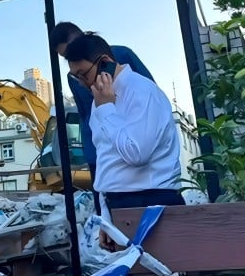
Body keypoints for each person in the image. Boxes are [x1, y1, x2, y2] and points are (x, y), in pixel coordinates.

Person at [62, 32, 184, 250]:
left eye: (83, 75)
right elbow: (105, 161)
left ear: (105, 63)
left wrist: (107, 108)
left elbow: (137, 154)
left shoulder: (142, 92)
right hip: (118, 205)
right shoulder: (99, 99)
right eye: (75, 77)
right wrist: (106, 217)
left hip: (150, 203)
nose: (81, 84)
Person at [50, 22, 155, 195]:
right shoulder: (74, 77)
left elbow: (149, 90)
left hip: (132, 143)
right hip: (98, 152)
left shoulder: (122, 54)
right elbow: (84, 113)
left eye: (84, 74)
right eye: (65, 56)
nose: (83, 81)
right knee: (104, 200)